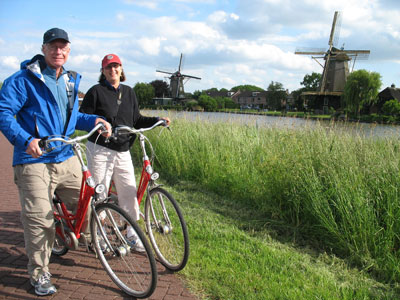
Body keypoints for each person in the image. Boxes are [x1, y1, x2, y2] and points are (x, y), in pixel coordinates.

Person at [0, 28, 111, 296]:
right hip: (33, 158)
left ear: (69, 50)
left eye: (63, 47)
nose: (58, 51)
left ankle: (85, 238)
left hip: (65, 155)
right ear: (44, 48)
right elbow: (3, 113)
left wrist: (94, 120)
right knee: (39, 219)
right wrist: (26, 139)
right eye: (53, 46)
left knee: (91, 202)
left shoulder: (70, 80)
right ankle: (39, 273)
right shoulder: (22, 80)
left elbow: (71, 118)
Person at [79, 54, 170, 251]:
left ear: (121, 69)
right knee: (100, 192)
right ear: (102, 71)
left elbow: (136, 119)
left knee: (129, 191)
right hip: (100, 149)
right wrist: (99, 127)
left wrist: (156, 119)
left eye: (116, 66)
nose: (113, 70)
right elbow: (84, 118)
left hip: (123, 150)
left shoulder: (129, 92)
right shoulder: (95, 91)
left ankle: (131, 234)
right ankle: (100, 236)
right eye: (108, 67)